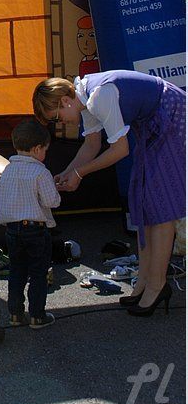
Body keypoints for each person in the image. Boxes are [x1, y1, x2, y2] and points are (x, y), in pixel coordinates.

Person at [33, 71, 186, 316]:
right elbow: (91, 145)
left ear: (65, 101)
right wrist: (66, 173)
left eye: (57, 117)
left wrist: (79, 174)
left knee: (160, 204)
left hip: (174, 116)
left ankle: (157, 285)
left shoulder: (99, 96)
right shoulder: (85, 100)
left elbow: (120, 150)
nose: (61, 123)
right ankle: (144, 281)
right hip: (153, 122)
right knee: (144, 201)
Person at [0, 119, 61, 329]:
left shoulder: (7, 170)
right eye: (45, 150)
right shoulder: (40, 172)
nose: (45, 154)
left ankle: (15, 314)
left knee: (17, 272)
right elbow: (52, 201)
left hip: (12, 229)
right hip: (35, 230)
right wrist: (56, 189)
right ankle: (37, 316)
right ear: (37, 149)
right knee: (38, 273)